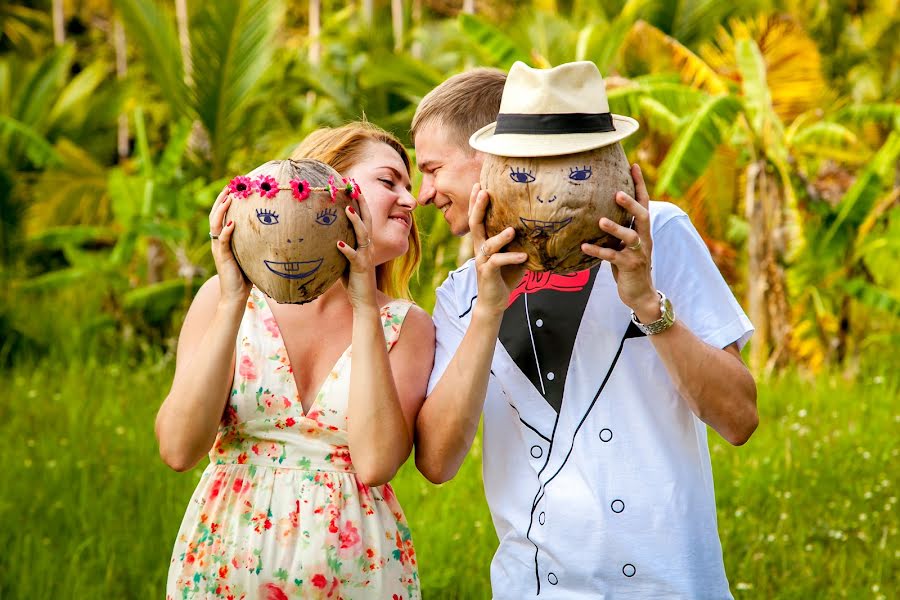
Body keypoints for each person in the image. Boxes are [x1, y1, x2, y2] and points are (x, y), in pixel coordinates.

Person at [411, 62, 758, 598]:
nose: (423, 193)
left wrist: (645, 300)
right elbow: (436, 462)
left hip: (670, 585)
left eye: (432, 169)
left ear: (492, 160)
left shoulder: (656, 234)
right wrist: (487, 310)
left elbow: (739, 419)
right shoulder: (461, 294)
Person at [157, 121, 434, 600]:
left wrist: (366, 304)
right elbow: (180, 449)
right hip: (223, 565)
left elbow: (375, 463)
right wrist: (230, 302)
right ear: (327, 188)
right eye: (390, 182)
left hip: (357, 578)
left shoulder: (407, 326)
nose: (411, 201)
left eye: (408, 186)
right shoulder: (225, 301)